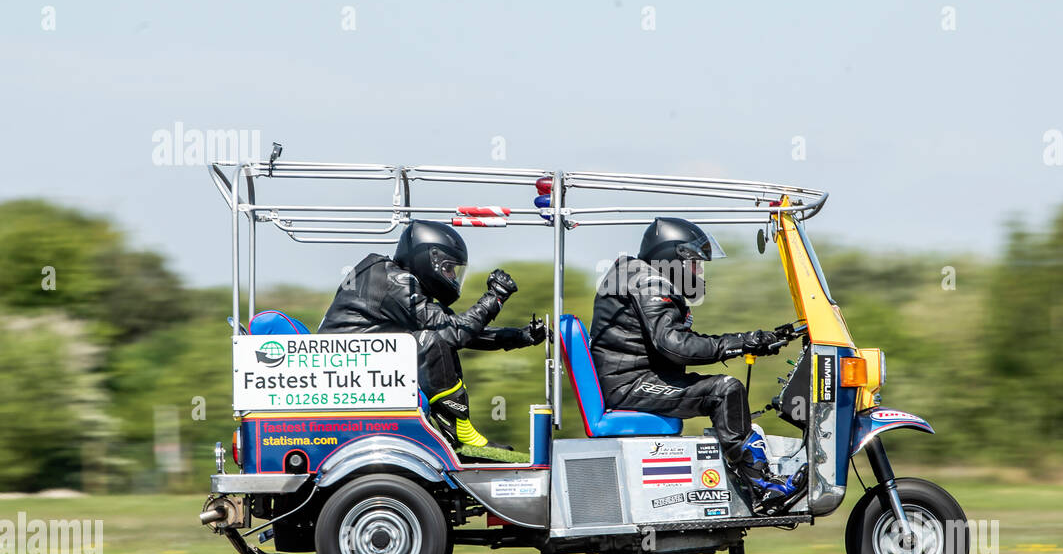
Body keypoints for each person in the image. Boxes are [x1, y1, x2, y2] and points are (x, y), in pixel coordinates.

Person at [589, 216, 805, 514]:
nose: (699, 271)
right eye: (695, 263)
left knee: (723, 392)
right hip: (630, 385)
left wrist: (747, 341)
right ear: (672, 258)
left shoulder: (639, 276)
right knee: (724, 390)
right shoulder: (649, 282)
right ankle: (763, 489)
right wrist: (740, 342)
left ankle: (752, 476)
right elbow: (674, 346)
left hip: (634, 378)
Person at [318, 220, 545, 453]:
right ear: (431, 258)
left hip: (355, 366)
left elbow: (458, 331)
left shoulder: (392, 281)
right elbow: (454, 333)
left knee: (436, 338)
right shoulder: (394, 281)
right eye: (449, 269)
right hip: (344, 372)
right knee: (430, 342)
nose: (453, 278)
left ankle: (455, 429)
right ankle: (460, 428)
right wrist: (494, 298)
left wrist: (519, 337)